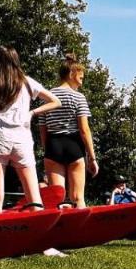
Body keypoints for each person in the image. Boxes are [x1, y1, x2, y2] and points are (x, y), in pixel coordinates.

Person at [0, 46, 61, 212]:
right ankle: (39, 222)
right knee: (32, 191)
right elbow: (55, 101)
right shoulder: (27, 82)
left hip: (0, 134)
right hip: (22, 135)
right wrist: (32, 112)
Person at [40, 54, 99, 207]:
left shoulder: (47, 96)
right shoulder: (78, 97)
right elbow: (84, 129)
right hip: (73, 145)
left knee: (56, 199)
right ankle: (81, 230)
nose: (82, 81)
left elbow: (42, 128)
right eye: (81, 77)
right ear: (72, 74)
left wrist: (48, 150)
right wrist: (92, 158)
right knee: (78, 198)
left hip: (53, 144)